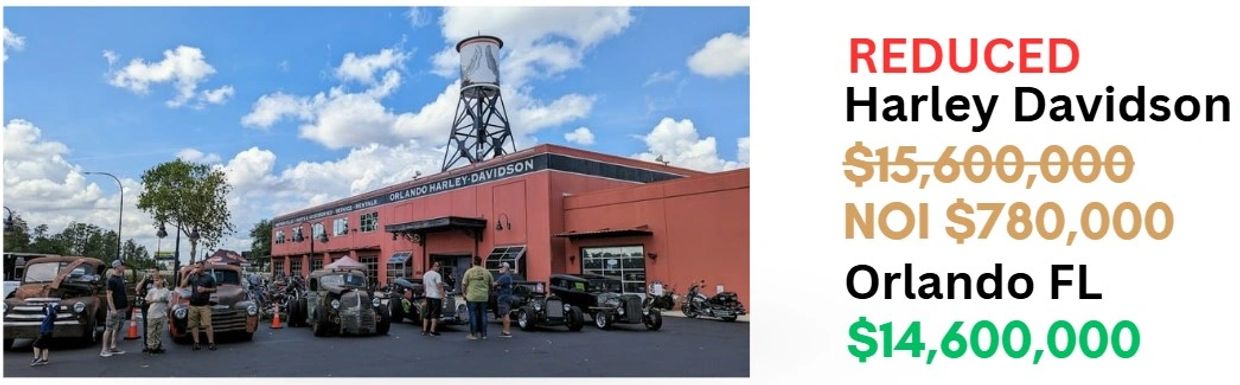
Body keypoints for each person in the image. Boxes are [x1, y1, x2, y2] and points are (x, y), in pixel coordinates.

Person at [179, 261, 217, 351]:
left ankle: (211, 343)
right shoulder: (192, 276)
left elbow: (215, 289)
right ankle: (196, 343)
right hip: (193, 305)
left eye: (198, 267)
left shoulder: (209, 277)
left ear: (203, 267)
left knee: (207, 324)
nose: (196, 269)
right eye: (195, 267)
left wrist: (205, 289)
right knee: (193, 325)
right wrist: (189, 275)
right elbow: (183, 285)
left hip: (204, 305)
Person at [100, 260, 128, 357]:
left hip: (121, 308)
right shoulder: (111, 280)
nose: (124, 267)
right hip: (114, 309)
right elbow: (109, 295)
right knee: (109, 328)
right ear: (117, 267)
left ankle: (113, 346)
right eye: (122, 266)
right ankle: (104, 349)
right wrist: (112, 309)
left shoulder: (120, 278)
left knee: (117, 328)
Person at [461, 256, 492, 340]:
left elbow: (464, 284)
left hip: (472, 297)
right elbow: (491, 284)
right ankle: (484, 334)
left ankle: (474, 334)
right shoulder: (487, 272)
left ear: (473, 262)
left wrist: (464, 293)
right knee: (484, 315)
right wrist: (488, 293)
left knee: (473, 315)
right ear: (481, 262)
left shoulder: (469, 272)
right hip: (483, 297)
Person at [144, 274, 170, 354]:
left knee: (158, 332)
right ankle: (151, 347)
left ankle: (157, 347)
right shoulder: (152, 291)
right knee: (151, 332)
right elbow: (147, 301)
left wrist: (164, 301)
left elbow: (168, 301)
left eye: (157, 280)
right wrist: (154, 300)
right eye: (155, 280)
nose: (156, 282)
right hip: (152, 314)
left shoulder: (166, 291)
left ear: (162, 280)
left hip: (161, 314)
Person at [135, 268, 157, 353]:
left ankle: (156, 344)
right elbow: (137, 289)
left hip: (156, 307)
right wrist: (144, 278)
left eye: (153, 272)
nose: (151, 273)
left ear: (157, 272)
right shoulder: (146, 281)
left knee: (156, 326)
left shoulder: (159, 281)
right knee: (146, 325)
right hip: (146, 306)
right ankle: (147, 344)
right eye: (150, 272)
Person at [421, 261, 445, 336]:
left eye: (439, 267)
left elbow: (424, 286)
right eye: (438, 267)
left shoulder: (426, 274)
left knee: (427, 313)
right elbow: (439, 286)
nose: (438, 268)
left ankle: (424, 330)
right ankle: (432, 331)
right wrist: (442, 295)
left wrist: (425, 294)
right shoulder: (437, 275)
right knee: (435, 314)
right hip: (436, 296)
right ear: (434, 266)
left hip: (428, 296)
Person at [494, 262, 515, 338]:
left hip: (503, 298)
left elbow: (495, 284)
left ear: (506, 268)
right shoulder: (508, 276)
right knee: (504, 314)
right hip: (506, 297)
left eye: (501, 268)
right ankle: (505, 331)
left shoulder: (504, 277)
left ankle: (507, 332)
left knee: (505, 314)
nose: (499, 269)